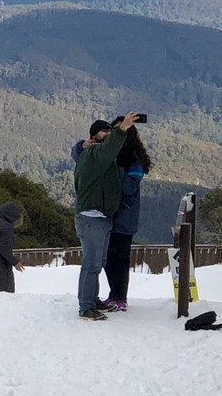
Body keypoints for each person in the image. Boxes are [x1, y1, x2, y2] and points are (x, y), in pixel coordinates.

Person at [73, 121, 151, 311]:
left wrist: (114, 167)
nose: (111, 134)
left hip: (123, 217)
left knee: (119, 258)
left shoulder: (132, 160)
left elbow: (129, 188)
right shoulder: (103, 153)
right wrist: (81, 145)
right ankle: (102, 297)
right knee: (102, 260)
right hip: (103, 216)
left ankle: (118, 296)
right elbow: (80, 155)